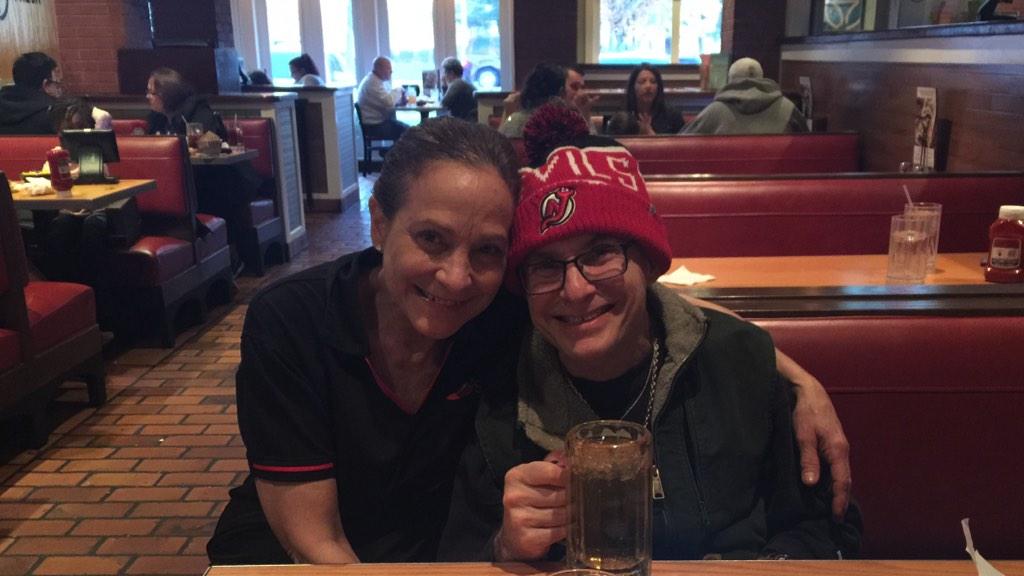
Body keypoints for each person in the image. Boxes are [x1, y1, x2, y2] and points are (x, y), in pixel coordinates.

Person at [438, 140, 861, 562]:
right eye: (545, 266)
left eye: (600, 253)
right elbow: (454, 557)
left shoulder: (739, 360)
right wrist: (504, 546)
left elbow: (825, 526)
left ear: (648, 263)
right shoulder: (499, 392)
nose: (576, 289)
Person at [207, 118, 522, 565]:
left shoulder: (503, 321)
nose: (457, 278)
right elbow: (314, 542)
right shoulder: (293, 319)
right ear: (379, 225)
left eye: (487, 249)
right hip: (288, 559)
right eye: (432, 238)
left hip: (424, 558)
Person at [683, 58, 808, 135]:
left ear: (730, 80)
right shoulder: (787, 108)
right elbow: (807, 142)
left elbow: (683, 143)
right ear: (762, 78)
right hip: (776, 170)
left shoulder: (714, 111)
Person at [145, 67, 227, 140]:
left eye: (151, 92)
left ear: (166, 94)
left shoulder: (198, 112)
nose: (147, 96)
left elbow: (208, 146)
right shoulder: (156, 118)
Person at [498, 62, 566, 137]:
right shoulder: (564, 121)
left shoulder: (515, 120)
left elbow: (499, 140)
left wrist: (508, 113)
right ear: (561, 92)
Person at [357, 56, 408, 141]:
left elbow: (385, 100)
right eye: (388, 68)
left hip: (377, 123)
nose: (391, 71)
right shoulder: (373, 83)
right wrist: (399, 90)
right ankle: (395, 149)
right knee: (410, 132)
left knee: (408, 130)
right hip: (373, 127)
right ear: (379, 69)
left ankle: (395, 149)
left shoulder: (377, 80)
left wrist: (398, 102)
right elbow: (389, 102)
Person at [626, 63, 685, 135]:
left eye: (653, 82)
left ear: (658, 87)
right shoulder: (623, 113)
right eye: (642, 82)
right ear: (633, 87)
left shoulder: (672, 115)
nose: (648, 86)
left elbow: (682, 141)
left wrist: (651, 134)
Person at [440, 57, 477, 121]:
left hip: (463, 122)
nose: (443, 75)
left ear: (451, 73)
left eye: (444, 72)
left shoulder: (456, 84)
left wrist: (444, 85)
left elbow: (444, 104)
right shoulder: (462, 83)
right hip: (468, 120)